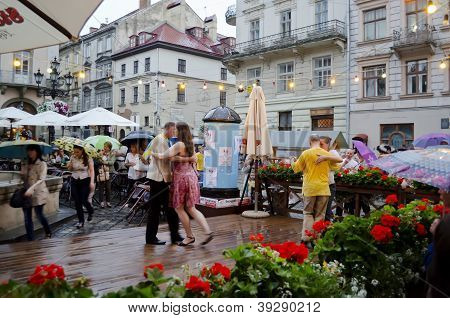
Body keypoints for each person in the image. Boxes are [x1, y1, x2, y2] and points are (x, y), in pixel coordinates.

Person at [153, 122, 213, 246]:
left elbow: (164, 156)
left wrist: (151, 153)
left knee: (179, 208)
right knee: (191, 208)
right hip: (191, 178)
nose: (174, 131)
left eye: (176, 129)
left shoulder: (179, 144)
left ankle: (190, 236)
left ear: (180, 131)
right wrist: (181, 159)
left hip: (181, 179)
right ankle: (207, 231)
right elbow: (191, 160)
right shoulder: (190, 144)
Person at [292, 135, 342, 243]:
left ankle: (306, 238)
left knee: (308, 213)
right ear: (319, 142)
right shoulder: (326, 154)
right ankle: (316, 239)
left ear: (310, 141)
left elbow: (296, 169)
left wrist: (293, 161)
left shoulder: (306, 153)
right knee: (320, 215)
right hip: (324, 189)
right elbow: (338, 164)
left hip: (310, 188)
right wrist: (326, 157)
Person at [142, 122, 185, 245]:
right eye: (173, 130)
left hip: (156, 178)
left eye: (175, 131)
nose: (174, 133)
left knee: (156, 209)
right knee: (169, 208)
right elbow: (163, 161)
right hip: (159, 178)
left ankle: (153, 237)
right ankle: (174, 235)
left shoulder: (162, 139)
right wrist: (169, 179)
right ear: (166, 129)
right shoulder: (161, 140)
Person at [21, 145, 52, 240]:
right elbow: (23, 178)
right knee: (27, 218)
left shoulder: (42, 164)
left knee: (39, 215)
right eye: (28, 150)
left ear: (37, 151)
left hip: (38, 193)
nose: (30, 152)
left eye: (32, 150)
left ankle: (48, 231)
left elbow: (41, 179)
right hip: (26, 193)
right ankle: (31, 239)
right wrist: (22, 172)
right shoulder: (25, 163)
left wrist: (32, 188)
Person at [67, 144, 95, 228]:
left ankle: (90, 211)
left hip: (85, 180)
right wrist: (70, 165)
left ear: (82, 150)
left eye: (77, 152)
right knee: (77, 201)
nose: (76, 153)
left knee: (83, 200)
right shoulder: (72, 157)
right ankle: (81, 221)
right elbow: (70, 169)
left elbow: (92, 170)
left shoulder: (88, 158)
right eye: (74, 152)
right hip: (74, 180)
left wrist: (92, 182)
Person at [320, 136, 342, 221]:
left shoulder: (332, 152)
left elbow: (339, 161)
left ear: (328, 144)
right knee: (322, 208)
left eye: (321, 144)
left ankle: (327, 227)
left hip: (329, 184)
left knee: (326, 208)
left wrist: (325, 157)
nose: (319, 145)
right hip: (320, 184)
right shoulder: (318, 151)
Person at [97, 141, 115, 208]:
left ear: (109, 148)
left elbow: (112, 162)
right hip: (101, 171)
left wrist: (104, 162)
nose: (105, 148)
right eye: (104, 146)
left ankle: (108, 201)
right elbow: (98, 161)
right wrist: (100, 155)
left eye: (106, 147)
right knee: (101, 187)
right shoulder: (101, 153)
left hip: (109, 172)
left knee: (108, 187)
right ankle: (101, 202)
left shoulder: (112, 154)